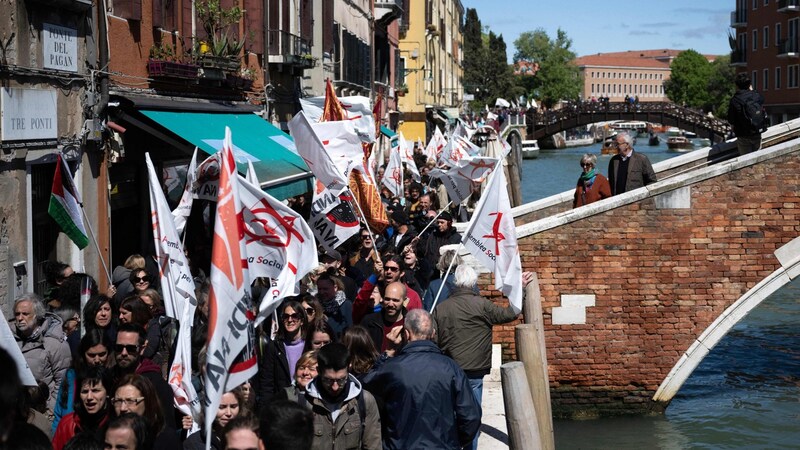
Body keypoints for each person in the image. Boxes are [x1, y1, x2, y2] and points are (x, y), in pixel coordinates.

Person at [432, 266, 534, 450]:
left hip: (450, 370)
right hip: (475, 371)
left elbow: (434, 340)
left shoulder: (441, 308)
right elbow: (510, 313)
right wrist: (521, 288)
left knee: (451, 415)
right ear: (473, 283)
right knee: (472, 416)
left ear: (455, 283)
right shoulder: (482, 305)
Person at [363, 309, 481, 449]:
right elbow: (470, 416)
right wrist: (454, 442)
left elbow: (366, 384)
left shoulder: (392, 368)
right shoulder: (451, 367)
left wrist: (388, 353)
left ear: (406, 334)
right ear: (433, 334)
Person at [295, 343, 381, 450]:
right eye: (328, 380)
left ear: (349, 369)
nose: (335, 387)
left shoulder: (365, 401)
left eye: (341, 380)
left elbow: (373, 445)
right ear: (319, 371)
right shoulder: (303, 403)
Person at [13, 293, 71, 414]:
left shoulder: (54, 343)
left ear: (37, 316)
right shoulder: (10, 339)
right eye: (17, 314)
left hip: (41, 411)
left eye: (25, 314)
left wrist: (51, 410)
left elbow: (63, 380)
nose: (20, 318)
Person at [113, 323, 177, 431]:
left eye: (131, 348)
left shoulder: (156, 384)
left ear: (142, 348)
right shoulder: (109, 377)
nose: (124, 353)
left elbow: (166, 427)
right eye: (119, 348)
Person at [53, 329, 115, 433]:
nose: (97, 360)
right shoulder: (71, 377)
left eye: (102, 354)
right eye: (91, 355)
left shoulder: (113, 377)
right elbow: (59, 415)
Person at [258, 300, 308, 404]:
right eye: (286, 316)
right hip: (282, 404)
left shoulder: (309, 344)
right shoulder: (274, 347)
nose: (290, 320)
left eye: (295, 316)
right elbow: (267, 382)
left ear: (302, 320)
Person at [52, 366, 113, 450]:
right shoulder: (67, 424)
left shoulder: (115, 423)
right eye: (84, 392)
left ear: (107, 393)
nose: (89, 397)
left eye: (95, 391)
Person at [112, 374, 179, 448]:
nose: (122, 408)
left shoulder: (166, 440)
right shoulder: (106, 436)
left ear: (147, 402)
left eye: (130, 401)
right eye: (118, 401)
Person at [359, 282, 407, 352]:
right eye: (387, 299)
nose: (390, 304)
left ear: (404, 301)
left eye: (395, 300)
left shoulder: (409, 325)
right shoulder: (369, 322)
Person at [728, 72, 767, 156]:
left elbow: (731, 120)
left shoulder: (735, 100)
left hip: (743, 135)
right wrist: (752, 91)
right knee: (757, 159)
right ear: (749, 84)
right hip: (757, 132)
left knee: (745, 160)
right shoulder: (756, 95)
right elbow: (761, 100)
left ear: (737, 86)